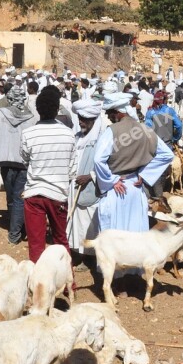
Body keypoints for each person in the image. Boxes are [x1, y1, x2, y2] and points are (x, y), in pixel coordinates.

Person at [93, 92, 173, 233]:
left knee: (114, 234)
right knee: (134, 231)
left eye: (109, 113)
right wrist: (145, 174)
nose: (107, 116)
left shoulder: (111, 132)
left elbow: (98, 159)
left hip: (116, 189)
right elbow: (167, 154)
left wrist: (111, 180)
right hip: (136, 189)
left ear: (118, 113)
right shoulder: (145, 129)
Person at [20, 86, 77, 263]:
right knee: (60, 240)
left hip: (34, 194)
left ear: (38, 110)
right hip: (58, 194)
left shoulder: (28, 134)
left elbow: (24, 160)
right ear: (57, 108)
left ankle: (38, 285)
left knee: (36, 244)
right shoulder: (69, 134)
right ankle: (69, 285)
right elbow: (72, 170)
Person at [0, 87, 38, 246]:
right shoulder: (32, 117)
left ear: (10, 99)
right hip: (24, 162)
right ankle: (16, 230)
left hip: (5, 162)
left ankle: (14, 231)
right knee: (20, 196)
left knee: (12, 196)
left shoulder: (0, 115)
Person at [68, 99, 105, 267]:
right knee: (76, 222)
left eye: (85, 119)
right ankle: (78, 253)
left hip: (91, 188)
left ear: (93, 120)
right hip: (74, 187)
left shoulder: (102, 140)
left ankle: (90, 256)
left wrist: (90, 176)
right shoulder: (77, 137)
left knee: (90, 223)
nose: (81, 122)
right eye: (80, 118)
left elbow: (108, 166)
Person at [145, 90, 182, 198]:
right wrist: (175, 138)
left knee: (154, 168)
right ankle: (159, 194)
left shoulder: (150, 112)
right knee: (163, 170)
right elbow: (179, 125)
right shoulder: (170, 111)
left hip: (154, 145)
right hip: (167, 145)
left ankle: (155, 193)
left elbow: (148, 129)